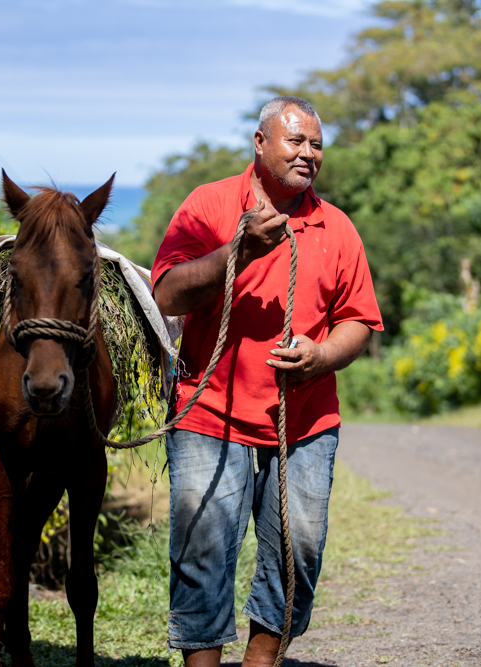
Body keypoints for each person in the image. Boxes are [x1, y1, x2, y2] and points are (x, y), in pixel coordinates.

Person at [151, 95, 384, 667]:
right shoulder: (208, 206)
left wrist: (323, 355)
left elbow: (359, 320)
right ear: (260, 144)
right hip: (208, 415)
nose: (309, 153)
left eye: (317, 144)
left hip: (301, 422)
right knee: (202, 548)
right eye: (295, 141)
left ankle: (260, 663)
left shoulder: (336, 226)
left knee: (297, 550)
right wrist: (240, 250)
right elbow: (165, 294)